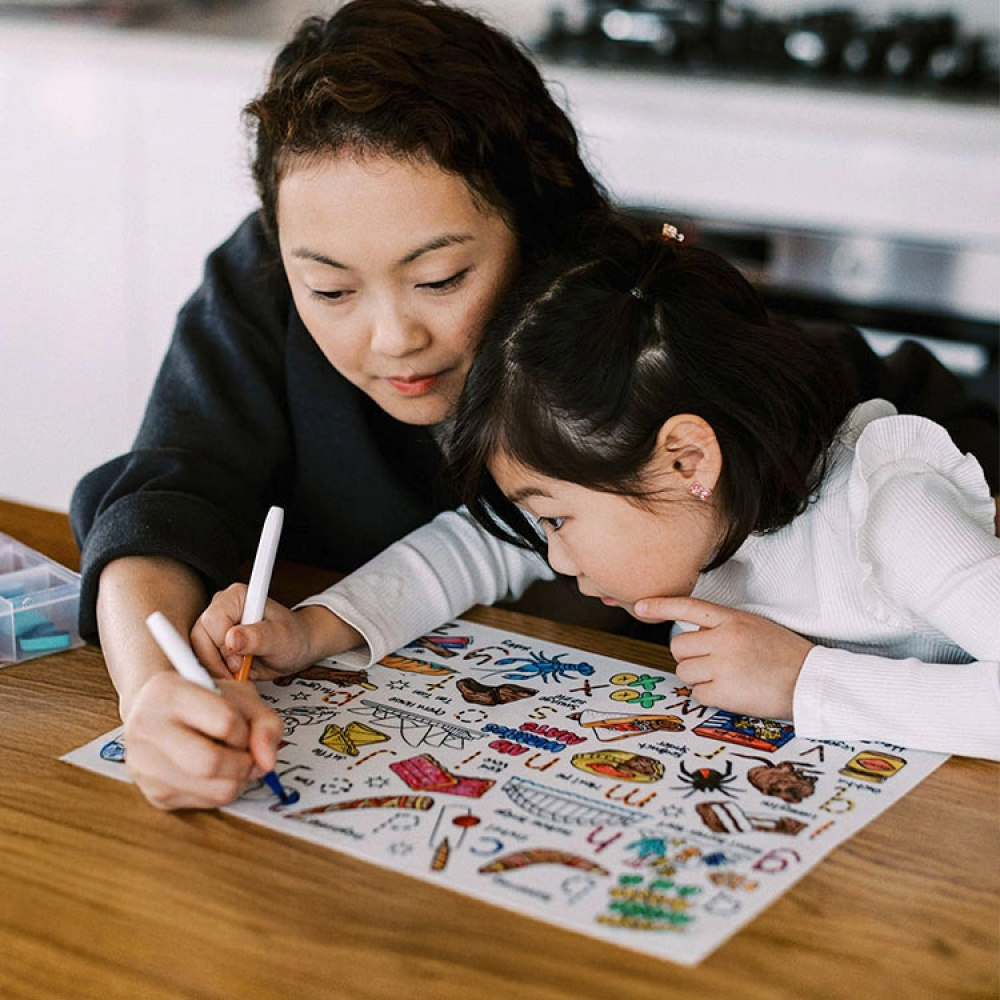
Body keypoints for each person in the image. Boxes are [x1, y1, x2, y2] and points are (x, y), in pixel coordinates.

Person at [72, 1, 999, 810]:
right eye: (332, 290)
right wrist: (157, 692)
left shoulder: (618, 337)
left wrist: (836, 660)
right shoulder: (267, 277)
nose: (391, 337)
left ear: (537, 241)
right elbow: (166, 491)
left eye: (439, 277)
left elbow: (885, 418)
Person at [436, 217, 998, 760]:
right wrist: (350, 613)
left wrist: (803, 683)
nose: (555, 557)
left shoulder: (892, 515)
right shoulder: (694, 524)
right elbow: (477, 549)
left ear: (688, 462)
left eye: (556, 520)